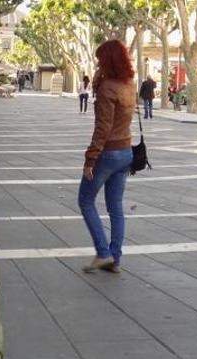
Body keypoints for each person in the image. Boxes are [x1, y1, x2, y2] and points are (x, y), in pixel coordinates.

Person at [79, 39, 136, 274]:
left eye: (100, 59)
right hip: (126, 152)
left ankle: (103, 253)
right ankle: (115, 258)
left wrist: (90, 158)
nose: (97, 63)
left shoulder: (108, 88)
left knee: (85, 200)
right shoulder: (129, 84)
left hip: (109, 152)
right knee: (116, 207)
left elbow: (103, 127)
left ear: (107, 60)